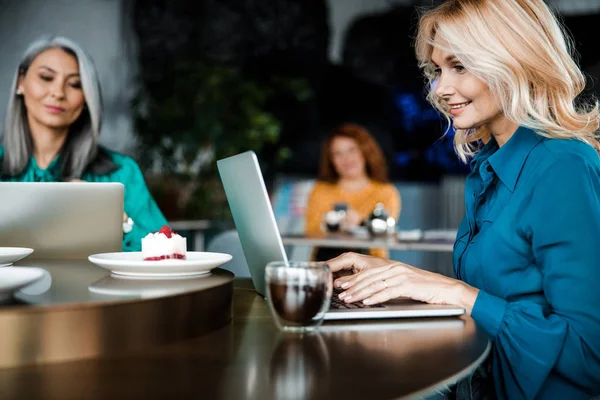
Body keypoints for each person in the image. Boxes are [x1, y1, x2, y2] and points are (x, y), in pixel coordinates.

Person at [326, 1, 600, 399]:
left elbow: (588, 356)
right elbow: (500, 301)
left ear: (513, 62)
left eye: (460, 66)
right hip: (475, 380)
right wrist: (398, 279)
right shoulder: (489, 166)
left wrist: (453, 292)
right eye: (437, 70)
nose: (440, 89)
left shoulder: (562, 166)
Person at [0, 35, 168, 251]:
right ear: (21, 82)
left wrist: (118, 219)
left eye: (75, 84)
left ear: (87, 99)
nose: (58, 93)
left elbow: (167, 254)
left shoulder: (122, 173)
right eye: (46, 77)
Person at [305, 123, 400, 259]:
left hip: (371, 267)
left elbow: (384, 233)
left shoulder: (386, 192)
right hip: (326, 264)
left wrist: (360, 224)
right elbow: (310, 232)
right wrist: (331, 226)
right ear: (331, 160)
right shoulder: (321, 190)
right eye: (337, 153)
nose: (346, 159)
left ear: (365, 151)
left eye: (352, 150)